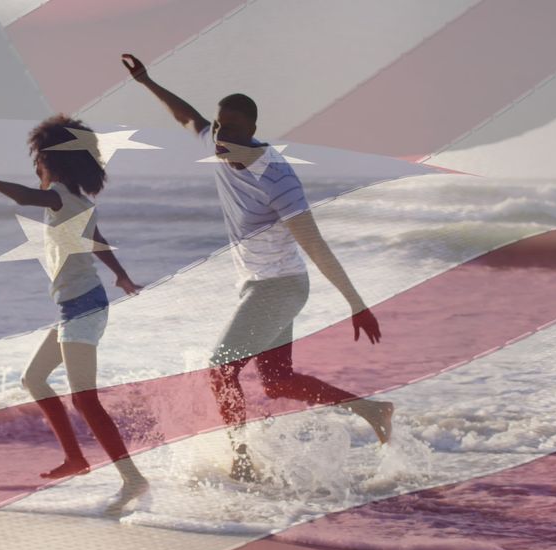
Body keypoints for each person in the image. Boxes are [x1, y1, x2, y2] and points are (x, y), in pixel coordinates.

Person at [121, 54, 393, 482]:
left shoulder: (278, 179)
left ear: (250, 130)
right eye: (218, 128)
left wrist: (356, 304)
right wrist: (146, 80)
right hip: (257, 286)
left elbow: (316, 245)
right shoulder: (217, 146)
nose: (219, 138)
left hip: (280, 286)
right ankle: (372, 409)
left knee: (220, 366)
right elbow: (187, 118)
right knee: (278, 382)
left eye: (229, 130)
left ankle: (242, 459)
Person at [0, 115, 148, 517]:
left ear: (55, 162)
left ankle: (132, 478)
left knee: (86, 400)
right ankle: (75, 458)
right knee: (34, 378)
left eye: (39, 161)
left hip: (82, 307)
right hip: (77, 307)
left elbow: (31, 198)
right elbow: (98, 243)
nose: (36, 168)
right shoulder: (81, 203)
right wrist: (123, 277)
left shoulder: (61, 196)